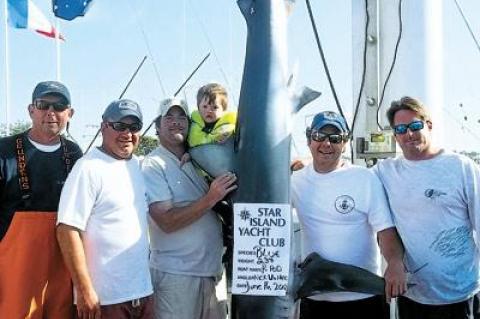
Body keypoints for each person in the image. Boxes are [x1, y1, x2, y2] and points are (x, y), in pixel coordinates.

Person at [292, 111, 407, 319]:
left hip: (363, 295)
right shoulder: (294, 181)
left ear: (345, 143)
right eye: (320, 136)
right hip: (315, 297)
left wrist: (395, 263)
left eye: (335, 138)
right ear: (309, 139)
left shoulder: (364, 179)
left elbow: (386, 232)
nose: (327, 144)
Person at [374, 96, 480, 319]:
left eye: (415, 126)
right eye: (401, 129)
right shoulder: (386, 172)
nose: (409, 134)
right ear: (395, 135)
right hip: (414, 296)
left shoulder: (461, 167)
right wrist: (306, 162)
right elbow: (347, 174)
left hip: (462, 294)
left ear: (428, 125)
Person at [56, 99, 153, 319]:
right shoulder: (87, 168)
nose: (127, 133)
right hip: (104, 300)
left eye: (134, 127)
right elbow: (67, 229)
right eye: (119, 126)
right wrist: (83, 290)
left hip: (143, 294)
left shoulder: (140, 166)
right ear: (103, 127)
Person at [142, 97, 237, 319]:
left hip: (214, 274)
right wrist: (211, 197)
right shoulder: (152, 165)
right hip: (177, 277)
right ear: (157, 126)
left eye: (182, 117)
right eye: (169, 117)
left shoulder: (200, 158)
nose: (176, 122)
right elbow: (166, 222)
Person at [0, 80, 82, 318]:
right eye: (43, 104)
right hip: (14, 267)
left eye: (59, 106)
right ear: (31, 110)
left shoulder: (75, 154)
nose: (51, 113)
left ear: (70, 112)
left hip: (62, 264)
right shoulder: (4, 151)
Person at [188, 83, 236, 147]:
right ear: (198, 108)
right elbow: (193, 143)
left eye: (215, 107)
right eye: (205, 106)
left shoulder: (230, 129)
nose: (209, 111)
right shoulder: (193, 124)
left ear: (223, 110)